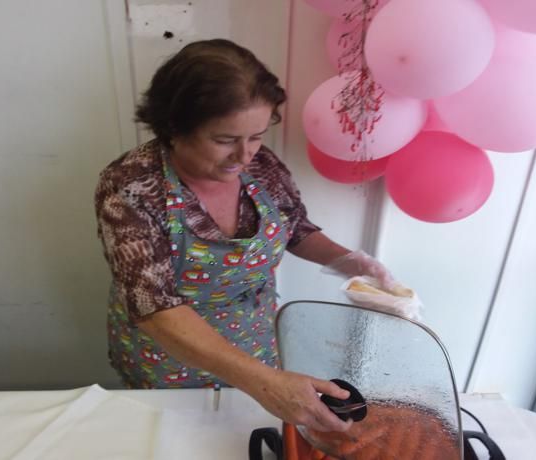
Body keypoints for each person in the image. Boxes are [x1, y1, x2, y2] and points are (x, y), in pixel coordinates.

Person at [95, 38, 393, 433]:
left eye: (256, 136)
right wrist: (265, 383)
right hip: (169, 359)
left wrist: (354, 263)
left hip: (253, 345)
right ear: (173, 127)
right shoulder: (132, 188)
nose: (244, 155)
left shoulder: (261, 166)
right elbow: (155, 307)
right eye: (224, 140)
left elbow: (294, 228)